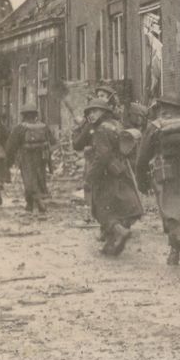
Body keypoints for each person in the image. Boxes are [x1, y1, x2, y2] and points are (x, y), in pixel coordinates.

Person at [74, 97, 143, 256]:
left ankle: (119, 232)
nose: (91, 114)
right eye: (90, 112)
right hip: (121, 172)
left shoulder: (100, 130)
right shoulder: (116, 125)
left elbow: (102, 157)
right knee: (120, 207)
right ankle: (111, 244)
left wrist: (89, 178)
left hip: (105, 175)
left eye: (95, 111)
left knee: (101, 210)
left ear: (104, 112)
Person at [136, 96, 180, 266]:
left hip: (164, 172)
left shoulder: (155, 126)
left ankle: (178, 245)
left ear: (162, 107)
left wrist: (141, 180)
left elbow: (142, 157)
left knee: (170, 210)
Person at [6, 103, 53, 214]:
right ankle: (30, 204)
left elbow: (11, 145)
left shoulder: (20, 128)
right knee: (39, 177)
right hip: (41, 156)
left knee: (28, 179)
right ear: (35, 114)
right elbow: (52, 141)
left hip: (26, 156)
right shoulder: (44, 126)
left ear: (23, 115)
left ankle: (38, 200)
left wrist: (9, 161)